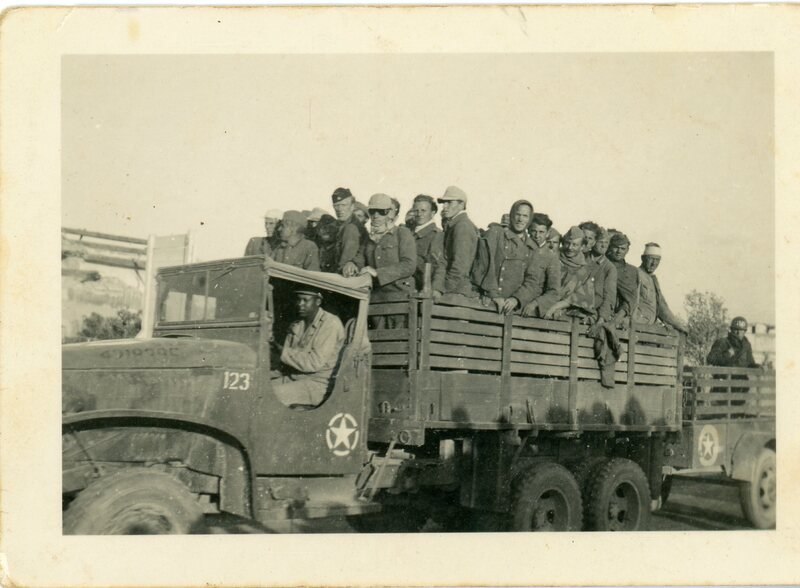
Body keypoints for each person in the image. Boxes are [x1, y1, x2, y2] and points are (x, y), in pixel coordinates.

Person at [271, 287, 345, 408]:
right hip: (294, 378)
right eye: (298, 299)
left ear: (318, 301)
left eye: (305, 300)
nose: (300, 304)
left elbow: (313, 363)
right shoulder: (298, 324)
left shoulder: (330, 323)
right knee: (257, 387)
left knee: (269, 395)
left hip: (317, 384)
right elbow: (287, 361)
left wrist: (280, 350)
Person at [472, 199, 540, 314]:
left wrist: (516, 299)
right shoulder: (496, 234)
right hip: (488, 301)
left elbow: (532, 281)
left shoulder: (532, 247)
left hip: (512, 308)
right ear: (512, 215)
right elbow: (483, 266)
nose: (520, 219)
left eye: (525, 216)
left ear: (529, 219)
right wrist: (493, 294)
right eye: (518, 214)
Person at [360, 193, 417, 327]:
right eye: (372, 211)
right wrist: (351, 264)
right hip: (376, 299)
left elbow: (409, 265)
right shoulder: (369, 238)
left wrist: (378, 273)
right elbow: (359, 258)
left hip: (399, 297)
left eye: (381, 212)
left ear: (389, 213)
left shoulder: (402, 233)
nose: (376, 216)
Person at [431, 185, 479, 302]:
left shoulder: (462, 226)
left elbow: (460, 266)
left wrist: (443, 290)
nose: (444, 207)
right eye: (444, 203)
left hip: (456, 293)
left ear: (461, 204)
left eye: (449, 202)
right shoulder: (455, 225)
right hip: (455, 291)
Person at [540, 226, 596, 320]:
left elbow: (581, 297)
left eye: (575, 245)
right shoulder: (553, 258)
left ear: (582, 247)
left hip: (566, 310)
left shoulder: (585, 270)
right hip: (543, 303)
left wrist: (555, 307)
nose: (570, 248)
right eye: (567, 243)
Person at [634, 243, 687, 333]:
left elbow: (662, 307)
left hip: (649, 327)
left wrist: (678, 325)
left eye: (657, 260)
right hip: (637, 326)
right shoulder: (635, 274)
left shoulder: (653, 279)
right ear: (643, 258)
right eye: (651, 259)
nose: (654, 263)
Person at [330, 187, 367, 277]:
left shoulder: (351, 228)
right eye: (336, 205)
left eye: (344, 205)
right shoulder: (343, 225)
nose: (339, 209)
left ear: (352, 206)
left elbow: (345, 263)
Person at [410, 194, 444, 291]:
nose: (419, 214)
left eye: (423, 210)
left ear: (432, 213)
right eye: (416, 210)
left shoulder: (436, 235)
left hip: (420, 287)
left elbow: (436, 267)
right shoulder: (409, 233)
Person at [606, 232, 640, 328]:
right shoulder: (604, 265)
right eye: (616, 247)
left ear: (627, 250)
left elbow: (630, 298)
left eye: (622, 249)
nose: (619, 251)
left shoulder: (631, 271)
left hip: (619, 317)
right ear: (610, 247)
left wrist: (618, 318)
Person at [587, 227, 618, 323]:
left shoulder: (609, 268)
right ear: (594, 242)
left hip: (593, 314)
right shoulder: (582, 259)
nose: (604, 245)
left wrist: (601, 319)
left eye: (606, 242)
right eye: (600, 242)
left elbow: (609, 297)